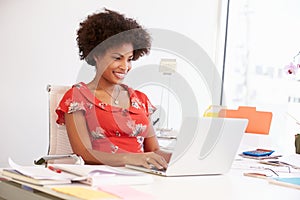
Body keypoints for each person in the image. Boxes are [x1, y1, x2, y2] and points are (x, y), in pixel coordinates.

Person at [56, 8, 171, 169]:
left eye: (129, 59)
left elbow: (154, 151)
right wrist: (131, 158)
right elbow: (84, 153)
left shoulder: (140, 100)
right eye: (117, 58)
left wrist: (184, 156)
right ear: (96, 55)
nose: (125, 66)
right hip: (101, 178)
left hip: (142, 177)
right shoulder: (77, 97)